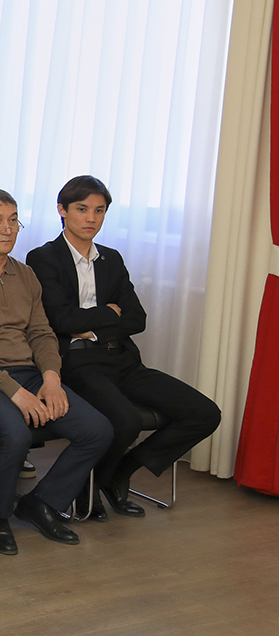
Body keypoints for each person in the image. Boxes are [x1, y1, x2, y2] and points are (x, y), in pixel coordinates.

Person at [26, 176, 220, 519]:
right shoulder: (43, 257)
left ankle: (117, 473)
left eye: (99, 210)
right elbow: (61, 320)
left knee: (204, 413)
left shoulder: (111, 259)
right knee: (125, 420)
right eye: (82, 209)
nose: (91, 218)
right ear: (62, 210)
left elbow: (137, 319)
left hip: (122, 358)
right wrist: (107, 313)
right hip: (78, 362)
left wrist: (92, 327)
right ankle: (89, 489)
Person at [0, 189, 112, 555]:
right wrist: (15, 393)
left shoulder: (26, 275)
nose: (7, 229)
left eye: (14, 220)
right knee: (14, 434)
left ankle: (41, 503)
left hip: (29, 372)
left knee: (97, 429)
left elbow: (41, 333)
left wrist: (51, 379)